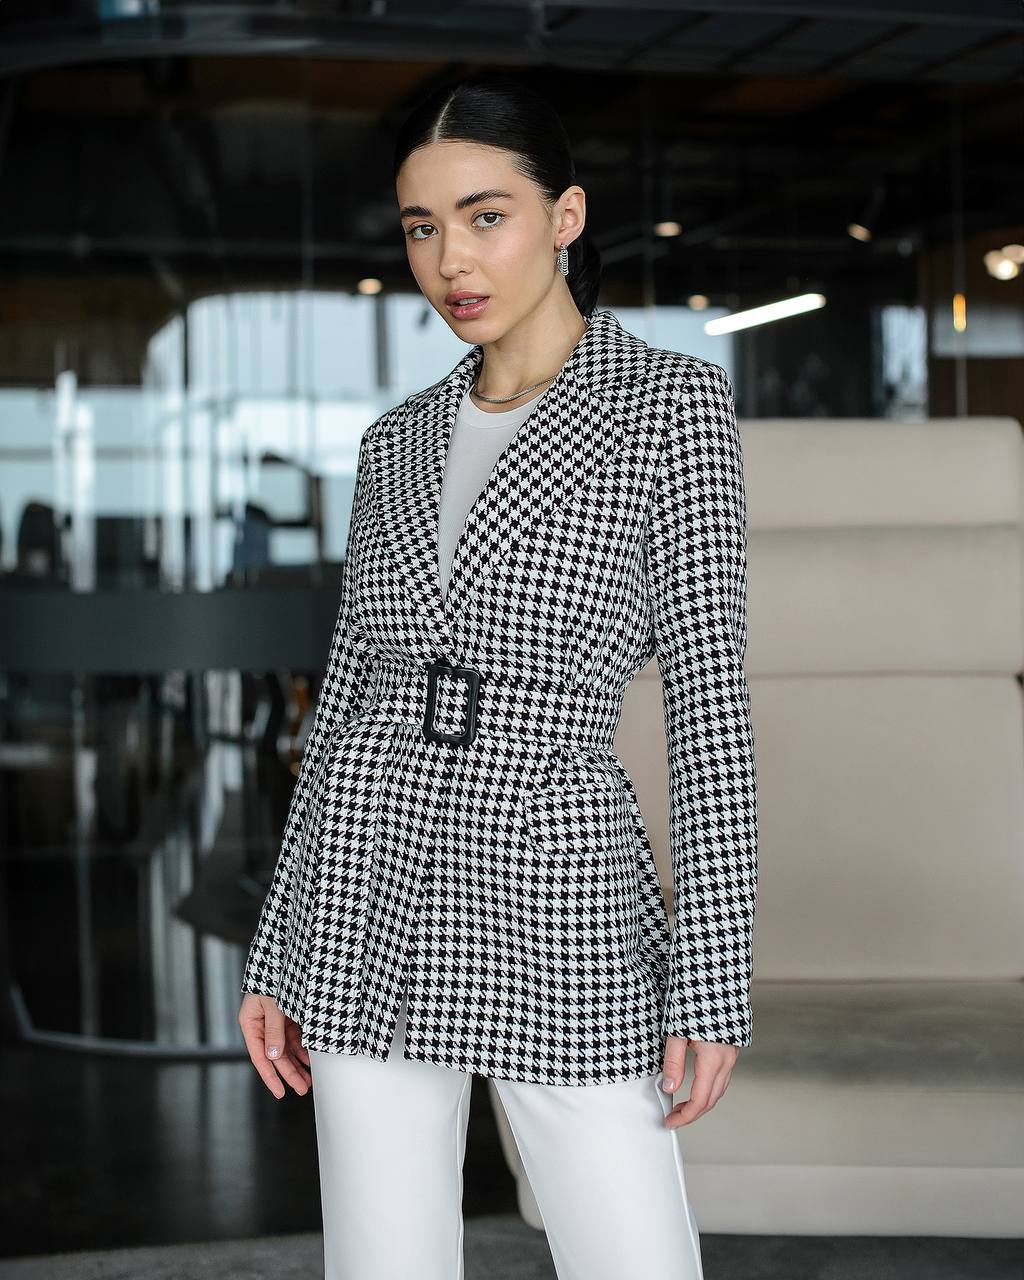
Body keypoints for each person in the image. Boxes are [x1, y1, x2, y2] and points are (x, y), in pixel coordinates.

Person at [237, 73, 758, 1280]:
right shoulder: (396, 439)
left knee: (631, 1254)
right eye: (422, 226)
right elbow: (353, 692)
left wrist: (711, 978)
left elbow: (709, 710)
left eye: (485, 215)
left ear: (564, 216)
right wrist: (278, 947)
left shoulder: (669, 407)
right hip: (366, 867)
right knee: (381, 1258)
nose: (449, 260)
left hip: (554, 866)